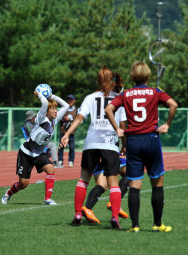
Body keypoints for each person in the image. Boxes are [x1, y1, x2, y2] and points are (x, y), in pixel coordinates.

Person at [105, 61, 178, 233]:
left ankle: (135, 226)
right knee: (157, 183)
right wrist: (167, 124)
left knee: (134, 184)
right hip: (151, 139)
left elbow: (109, 109)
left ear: (132, 76)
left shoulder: (127, 94)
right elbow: (173, 104)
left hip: (133, 142)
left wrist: (118, 129)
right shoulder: (155, 92)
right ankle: (157, 224)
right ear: (148, 75)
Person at [60, 66, 123, 229]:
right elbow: (123, 125)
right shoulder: (119, 99)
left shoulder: (90, 97)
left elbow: (79, 118)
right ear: (112, 80)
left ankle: (78, 213)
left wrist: (66, 134)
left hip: (92, 143)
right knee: (114, 183)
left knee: (83, 179)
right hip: (109, 143)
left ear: (98, 80)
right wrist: (125, 145)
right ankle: (114, 217)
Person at [2, 89, 69, 206]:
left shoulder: (55, 120)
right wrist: (41, 96)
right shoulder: (41, 118)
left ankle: (47, 199)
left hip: (39, 153)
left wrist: (52, 95)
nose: (55, 111)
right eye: (52, 108)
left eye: (55, 108)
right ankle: (8, 192)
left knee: (51, 169)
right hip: (26, 153)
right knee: (23, 184)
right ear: (46, 111)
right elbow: (43, 103)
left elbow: (66, 105)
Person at [58, 94, 77, 168]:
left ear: (74, 101)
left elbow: (79, 120)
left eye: (71, 100)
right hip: (63, 131)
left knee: (72, 147)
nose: (70, 101)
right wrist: (64, 118)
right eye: (68, 100)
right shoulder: (63, 108)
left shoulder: (76, 109)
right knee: (61, 147)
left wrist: (72, 120)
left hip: (71, 133)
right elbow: (57, 117)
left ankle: (71, 161)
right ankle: (60, 161)